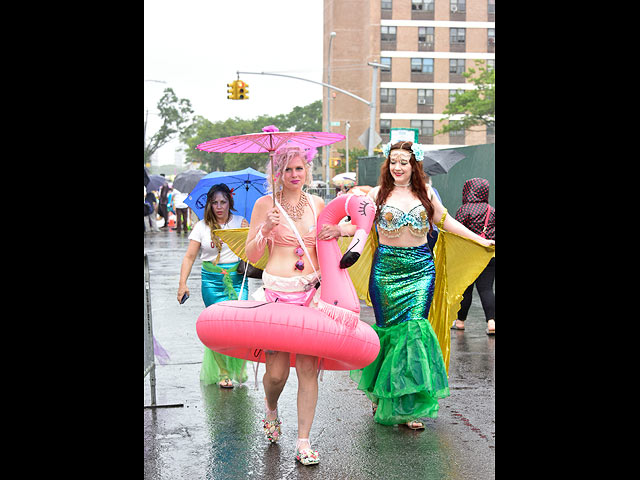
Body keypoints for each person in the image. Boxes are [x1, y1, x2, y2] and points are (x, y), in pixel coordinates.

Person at [349, 141, 495, 430]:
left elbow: (446, 221)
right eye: (393, 161)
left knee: (414, 332)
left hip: (420, 271)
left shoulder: (426, 193)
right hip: (386, 271)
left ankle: (409, 405)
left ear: (414, 164)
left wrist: (480, 240)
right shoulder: (377, 195)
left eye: (403, 161)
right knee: (390, 334)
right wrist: (336, 231)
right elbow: (358, 227)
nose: (397, 167)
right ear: (387, 165)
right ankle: (381, 393)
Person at [245, 145, 341, 466]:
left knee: (308, 368)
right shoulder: (265, 204)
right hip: (277, 293)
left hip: (311, 293)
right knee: (276, 373)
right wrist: (265, 229)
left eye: (299, 169)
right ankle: (271, 409)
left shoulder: (317, 203)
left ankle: (303, 441)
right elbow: (252, 254)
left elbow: (329, 249)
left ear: (307, 171)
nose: (294, 175)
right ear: (278, 173)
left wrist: (333, 233)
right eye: (288, 170)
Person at [177, 184, 250, 388]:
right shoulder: (201, 226)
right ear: (209, 203)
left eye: (223, 202)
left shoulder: (240, 222)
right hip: (211, 281)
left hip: (237, 279)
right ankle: (224, 372)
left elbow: (252, 252)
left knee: (241, 324)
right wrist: (182, 284)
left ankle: (240, 367)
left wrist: (247, 233)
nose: (219, 207)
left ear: (230, 203)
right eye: (215, 202)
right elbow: (190, 257)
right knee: (217, 327)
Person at [452, 178, 495, 334]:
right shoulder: (492, 210)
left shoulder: (464, 210)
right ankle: (492, 323)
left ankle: (460, 322)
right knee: (486, 289)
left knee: (466, 289)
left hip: (468, 255)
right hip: (488, 254)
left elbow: (455, 232)